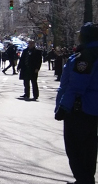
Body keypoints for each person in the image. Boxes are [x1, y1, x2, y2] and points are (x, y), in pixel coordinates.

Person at [55, 22, 98, 184]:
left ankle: (84, 180)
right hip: (91, 109)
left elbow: (76, 86)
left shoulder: (86, 56)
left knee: (75, 149)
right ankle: (86, 179)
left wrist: (63, 107)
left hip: (79, 109)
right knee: (89, 148)